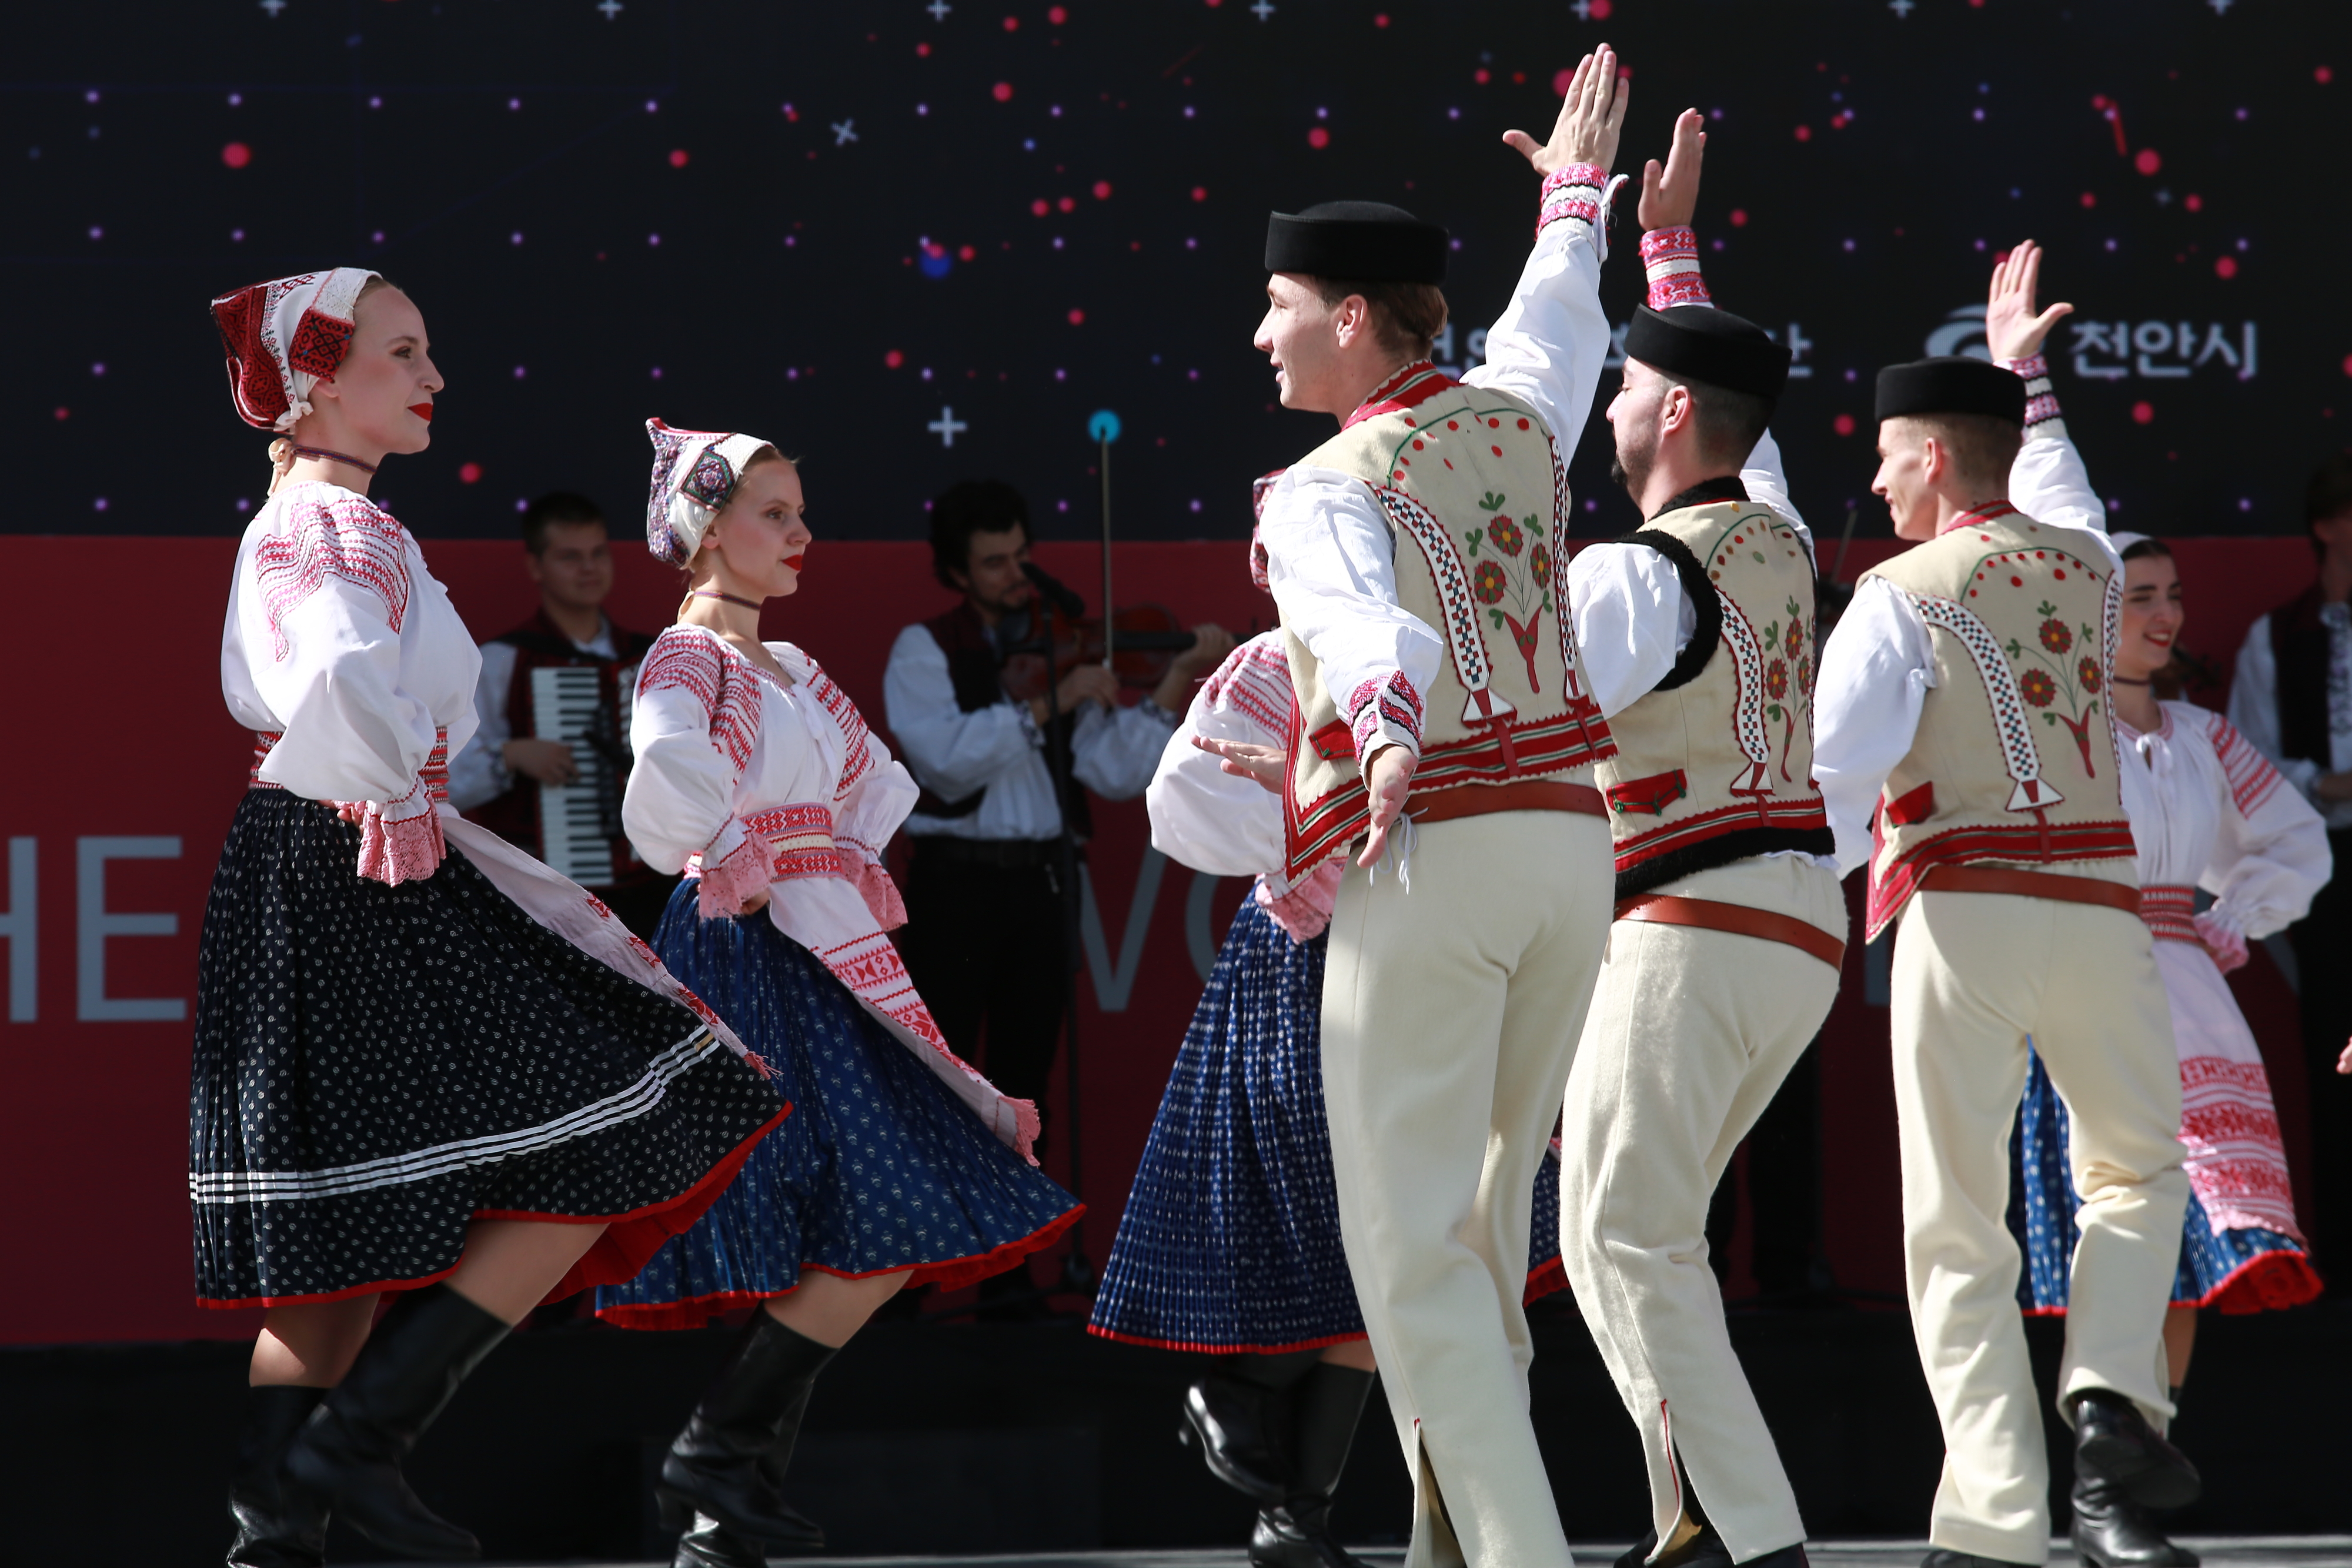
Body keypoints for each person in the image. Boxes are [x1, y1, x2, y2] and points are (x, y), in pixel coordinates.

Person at [199, 272, 782, 1568]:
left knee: (346, 1245)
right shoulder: (324, 525)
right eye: (402, 353)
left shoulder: (343, 518)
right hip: (354, 851)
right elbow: (338, 672)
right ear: (317, 378)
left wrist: (394, 773)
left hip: (353, 842)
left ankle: (283, 1522)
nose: (432, 376)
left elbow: (362, 687)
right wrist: (387, 776)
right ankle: (349, 1448)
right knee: (590, 1143)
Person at [1207, 48, 1629, 1568]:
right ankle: (1448, 1536)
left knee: (1410, 1245)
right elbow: (1559, 316)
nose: (1261, 334)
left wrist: (1385, 737)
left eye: (1279, 307)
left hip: (1435, 840)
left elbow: (1368, 629)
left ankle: (1514, 1552)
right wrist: (1573, 201)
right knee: (1488, 1218)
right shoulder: (1517, 417)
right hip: (1573, 849)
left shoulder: (1331, 479)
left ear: (1351, 317)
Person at [594, 422, 1084, 1568]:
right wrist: (739, 844)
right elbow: (662, 775)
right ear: (705, 528)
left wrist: (826, 853)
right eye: (774, 513)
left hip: (819, 938)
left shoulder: (793, 666)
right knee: (866, 1210)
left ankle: (724, 1494)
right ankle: (719, 1457)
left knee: (876, 1214)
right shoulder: (691, 657)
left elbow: (866, 779)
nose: (800, 532)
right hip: (753, 944)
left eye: (800, 510)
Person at [1809, 243, 2199, 1568]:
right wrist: (2024, 372)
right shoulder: (2088, 566)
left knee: (1956, 1219)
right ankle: (2105, 1395)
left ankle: (1985, 1518)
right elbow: (2058, 487)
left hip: (1961, 910)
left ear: (1925, 459)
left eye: (1881, 454)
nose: (1869, 477)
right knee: (2140, 1171)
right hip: (2099, 911)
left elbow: (1831, 774)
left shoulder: (1891, 594)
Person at [1094, 607, 1576, 1568]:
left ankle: (1295, 1513)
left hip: (1432, 952)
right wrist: (1319, 798)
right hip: (1314, 964)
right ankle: (1245, 1395)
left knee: (1412, 1232)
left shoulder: (1470, 664)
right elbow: (1184, 801)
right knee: (1351, 1217)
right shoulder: (1279, 662)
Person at [1990, 256, 2327, 1564]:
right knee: (2101, 1233)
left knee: (2183, 1243)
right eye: (2137, 596)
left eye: (2171, 596)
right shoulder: (2057, 721)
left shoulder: (2195, 738)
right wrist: (2026, 387)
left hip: (2186, 991)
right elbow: (2058, 519)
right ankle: (2085, 1472)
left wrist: (2233, 909)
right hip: (2078, 983)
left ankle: (2126, 1459)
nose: (2163, 612)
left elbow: (2297, 841)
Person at [1554, 111, 1839, 1568]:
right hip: (1791, 930)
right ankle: (1687, 1509)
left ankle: (1743, 1532)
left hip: (1689, 918)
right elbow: (1741, 410)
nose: (1603, 414)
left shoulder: (1634, 573)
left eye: (1621, 392)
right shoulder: (1775, 536)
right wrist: (1663, 250)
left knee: (1625, 1233)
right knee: (1631, 1231)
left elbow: (1530, 718)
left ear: (1665, 415)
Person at [883, 484, 1233, 1118]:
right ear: (959, 573)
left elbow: (1115, 771)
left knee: (1027, 1081)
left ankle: (1031, 1216)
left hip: (1043, 882)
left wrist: (1176, 677)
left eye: (1022, 556)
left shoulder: (1060, 643)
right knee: (941, 1076)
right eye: (995, 563)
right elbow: (944, 761)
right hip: (955, 885)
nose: (1018, 575)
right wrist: (1049, 704)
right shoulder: (924, 647)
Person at [448, 491, 677, 938]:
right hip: (548, 893)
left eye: (597, 554)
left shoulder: (654, 657)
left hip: (655, 884)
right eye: (570, 557)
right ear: (536, 567)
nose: (588, 568)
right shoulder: (500, 660)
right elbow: (447, 780)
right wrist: (510, 755)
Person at [2227, 452, 2352, 1253]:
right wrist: (2328, 782)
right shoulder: (2277, 635)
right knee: (2331, 1042)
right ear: (2330, 527)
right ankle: (2341, 1246)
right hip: (2328, 863)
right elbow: (2252, 760)